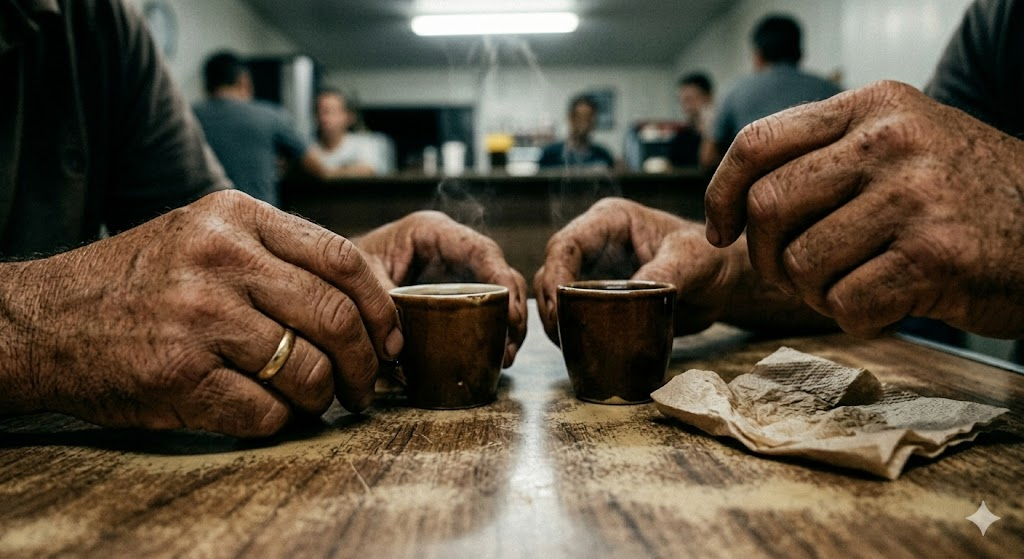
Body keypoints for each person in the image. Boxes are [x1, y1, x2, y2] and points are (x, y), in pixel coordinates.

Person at [0, 0, 528, 438]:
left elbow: (209, 259)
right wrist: (43, 330)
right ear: (246, 84)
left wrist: (340, 272)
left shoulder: (99, 25)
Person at [535, 0, 1023, 351]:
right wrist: (720, 265)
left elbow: (711, 162)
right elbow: (877, 226)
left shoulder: (737, 93)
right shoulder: (995, 24)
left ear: (757, 56)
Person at [192, 51, 340, 206]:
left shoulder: (189, 117)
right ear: (244, 81)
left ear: (206, 85)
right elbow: (318, 168)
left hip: (203, 221)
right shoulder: (270, 115)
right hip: (257, 221)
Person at [700, 14, 842, 170]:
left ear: (757, 54)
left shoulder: (735, 91)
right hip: (820, 186)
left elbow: (709, 157)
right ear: (799, 53)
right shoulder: (832, 91)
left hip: (754, 189)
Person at [311, 89, 383, 177]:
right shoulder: (309, 150)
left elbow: (368, 170)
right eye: (320, 112)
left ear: (348, 116)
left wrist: (326, 174)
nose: (325, 118)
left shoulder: (363, 144)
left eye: (331, 112)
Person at [538, 95, 615, 170]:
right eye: (580, 117)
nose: (585, 124)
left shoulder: (603, 155)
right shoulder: (550, 154)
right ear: (570, 118)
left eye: (589, 119)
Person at [668, 73, 715, 168]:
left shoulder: (724, 136)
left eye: (690, 100)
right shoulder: (680, 139)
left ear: (708, 97)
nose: (686, 108)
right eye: (682, 102)